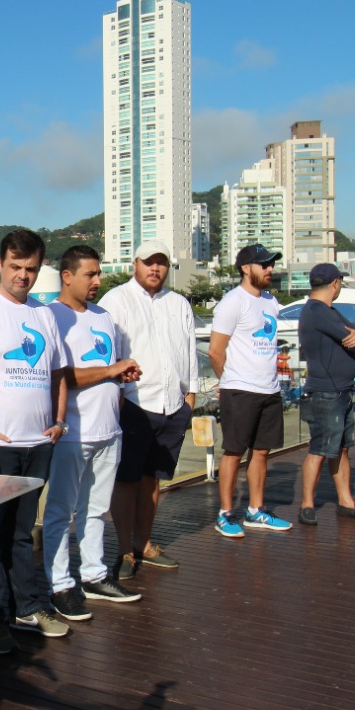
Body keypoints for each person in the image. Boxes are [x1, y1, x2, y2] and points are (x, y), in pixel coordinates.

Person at [0, 229, 70, 655]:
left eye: (31, 268)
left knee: (23, 532)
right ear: (1, 263)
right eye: (15, 267)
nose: (23, 276)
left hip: (38, 442)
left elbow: (58, 372)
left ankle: (27, 605)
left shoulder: (44, 315)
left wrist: (59, 420)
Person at [43, 246, 143, 625]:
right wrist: (110, 370)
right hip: (73, 432)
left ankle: (94, 574)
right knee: (60, 512)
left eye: (98, 273)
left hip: (108, 430)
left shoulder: (103, 317)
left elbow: (106, 369)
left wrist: (122, 373)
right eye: (90, 274)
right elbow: (60, 377)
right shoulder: (52, 317)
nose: (98, 281)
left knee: (96, 510)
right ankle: (60, 583)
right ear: (67, 276)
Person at [98, 240, 195, 578]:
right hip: (135, 404)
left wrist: (191, 394)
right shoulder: (115, 300)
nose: (155, 268)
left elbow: (189, 349)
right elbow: (107, 353)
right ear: (135, 264)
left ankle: (145, 543)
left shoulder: (179, 303)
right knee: (125, 481)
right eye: (149, 262)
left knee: (153, 479)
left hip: (173, 404)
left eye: (161, 263)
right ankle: (125, 550)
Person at [208, 243, 293, 538]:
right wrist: (230, 380)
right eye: (264, 265)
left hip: (269, 390)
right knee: (233, 452)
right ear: (246, 268)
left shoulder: (270, 301)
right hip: (240, 390)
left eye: (271, 264)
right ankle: (225, 513)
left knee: (261, 452)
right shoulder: (233, 301)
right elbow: (216, 351)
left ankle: (256, 510)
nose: (270, 269)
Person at [296, 264, 355, 523]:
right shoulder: (317, 311)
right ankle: (307, 505)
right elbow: (349, 335)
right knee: (320, 448)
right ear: (336, 283)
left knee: (342, 448)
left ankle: (346, 501)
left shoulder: (328, 311)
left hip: (340, 391)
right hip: (325, 392)